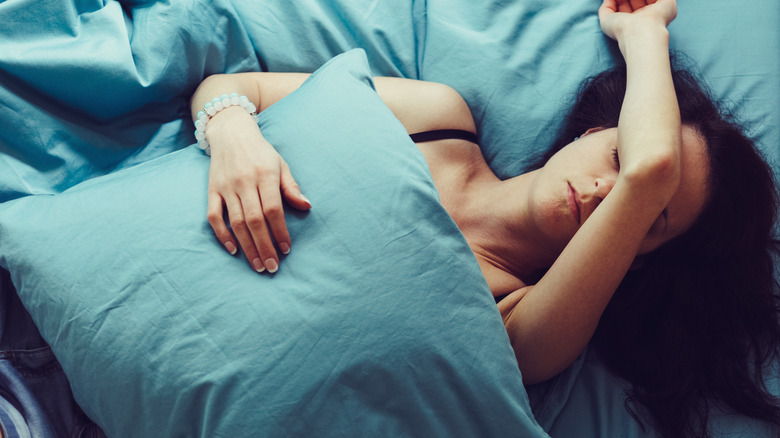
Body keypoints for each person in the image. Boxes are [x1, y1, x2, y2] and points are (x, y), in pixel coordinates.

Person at [190, 0, 780, 436]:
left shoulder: (528, 326)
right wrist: (232, 131)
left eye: (648, 217)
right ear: (595, 130)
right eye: (616, 156)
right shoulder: (437, 119)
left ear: (636, 250)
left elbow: (651, 171)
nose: (610, 191)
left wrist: (645, 33)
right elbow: (231, 87)